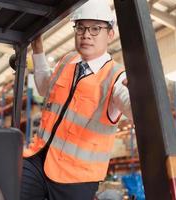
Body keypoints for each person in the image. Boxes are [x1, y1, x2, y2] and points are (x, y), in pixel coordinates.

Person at [21, 0, 132, 199]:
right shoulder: (67, 60)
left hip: (76, 178)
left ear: (110, 34)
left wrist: (140, 94)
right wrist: (38, 49)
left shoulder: (117, 78)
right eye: (80, 28)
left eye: (95, 28)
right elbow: (45, 87)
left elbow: (132, 107)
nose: (86, 35)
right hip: (39, 157)